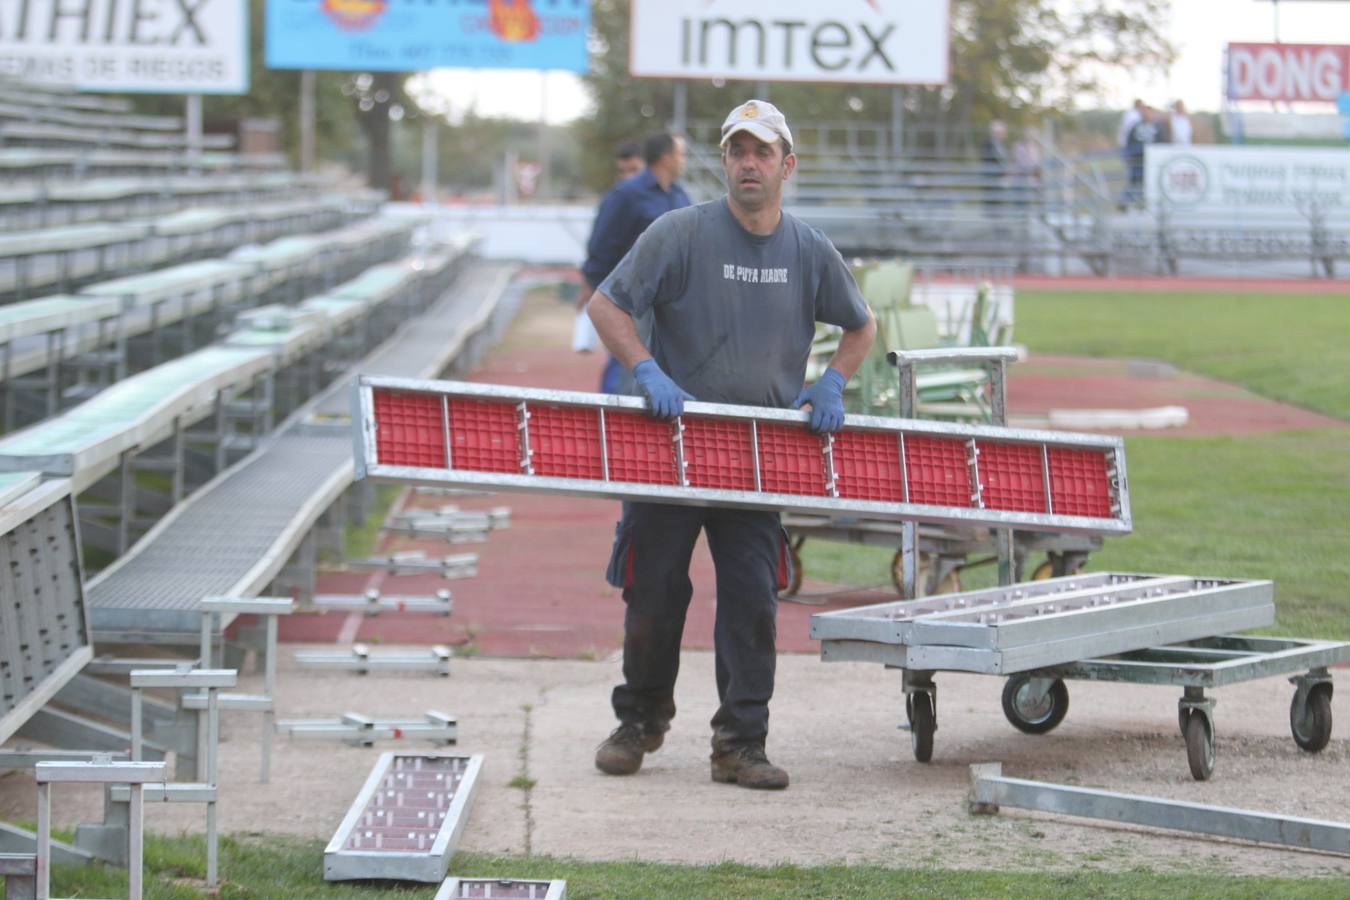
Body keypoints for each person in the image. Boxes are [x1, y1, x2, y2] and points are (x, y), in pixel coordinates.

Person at [585, 100, 877, 790]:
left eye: (763, 152)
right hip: (672, 449)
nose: (749, 163)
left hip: (757, 458)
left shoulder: (809, 250)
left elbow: (861, 326)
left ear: (787, 165)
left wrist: (832, 382)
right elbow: (607, 304)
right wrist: (645, 367)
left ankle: (741, 744)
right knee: (653, 592)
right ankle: (641, 720)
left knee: (751, 600)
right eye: (738, 151)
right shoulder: (678, 232)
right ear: (725, 162)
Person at [579, 133, 690, 393]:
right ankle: (609, 425)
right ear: (666, 158)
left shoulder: (679, 195)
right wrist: (600, 293)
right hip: (629, 300)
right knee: (625, 367)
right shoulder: (626, 195)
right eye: (681, 154)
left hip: (667, 304)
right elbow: (601, 244)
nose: (684, 161)